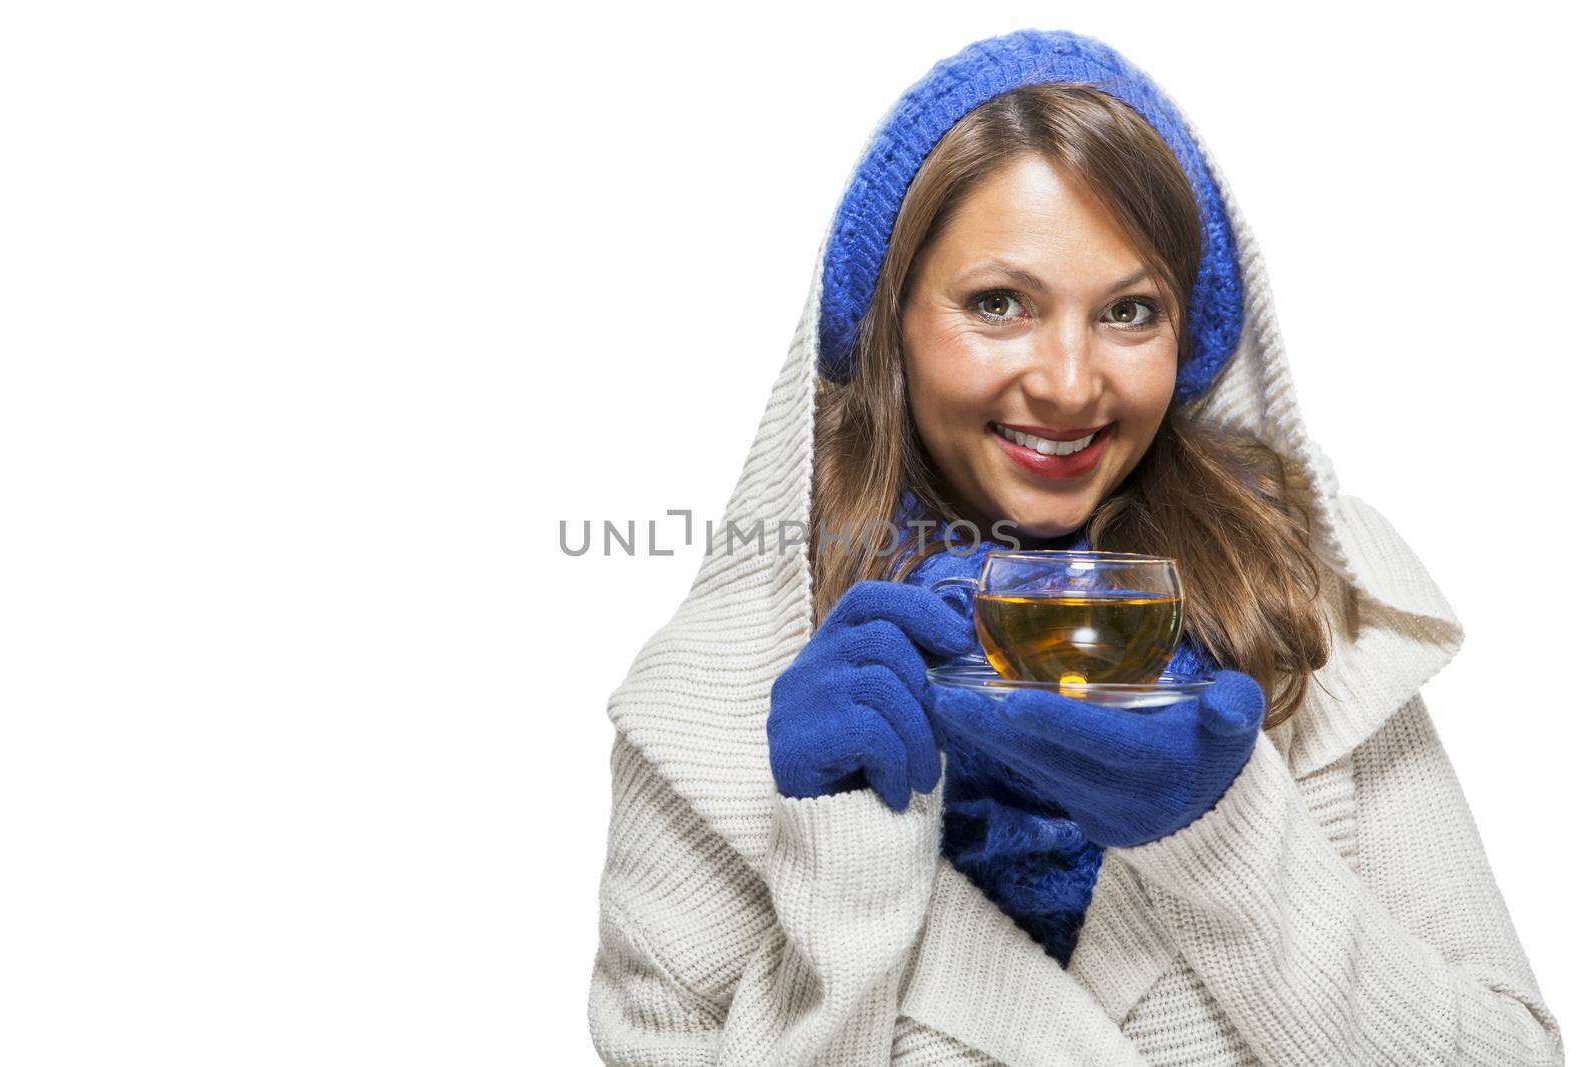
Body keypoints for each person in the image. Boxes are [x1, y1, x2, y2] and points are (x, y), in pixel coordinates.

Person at [586, 28, 1564, 1066]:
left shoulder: (1314, 607)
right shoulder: (709, 709)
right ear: (889, 327)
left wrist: (1221, 835)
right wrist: (843, 858)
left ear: (1183, 338)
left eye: (1128, 311)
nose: (1065, 381)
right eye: (997, 303)